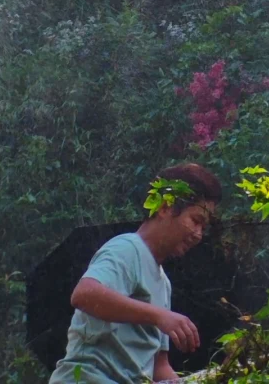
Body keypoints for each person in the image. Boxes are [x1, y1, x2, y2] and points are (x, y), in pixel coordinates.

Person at [49, 162, 222, 384]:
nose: (198, 234)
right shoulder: (127, 248)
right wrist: (159, 316)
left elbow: (159, 367)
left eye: (204, 227)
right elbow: (85, 294)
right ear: (165, 207)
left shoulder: (163, 283)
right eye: (196, 221)